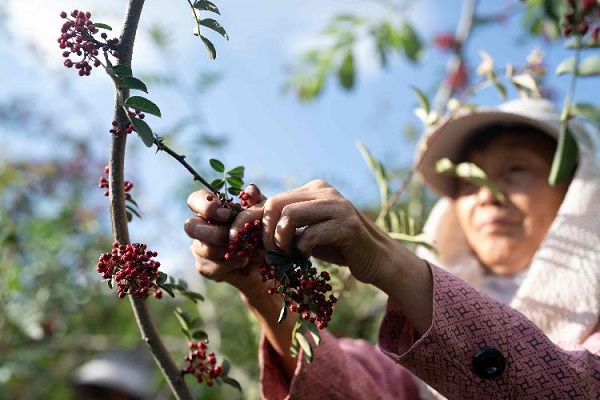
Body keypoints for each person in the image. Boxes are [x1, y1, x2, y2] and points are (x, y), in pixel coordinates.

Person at [184, 97, 600, 399]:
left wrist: (393, 263)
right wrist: (262, 285)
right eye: (470, 181)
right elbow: (354, 388)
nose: (486, 196)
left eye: (516, 170)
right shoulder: (417, 333)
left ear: (576, 191)